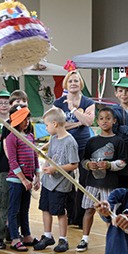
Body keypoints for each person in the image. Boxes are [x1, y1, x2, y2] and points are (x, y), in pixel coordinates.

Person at [77, 107, 127, 252]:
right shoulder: (91, 141)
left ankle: (112, 241)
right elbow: (84, 160)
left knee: (110, 213)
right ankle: (84, 239)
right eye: (101, 118)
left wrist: (109, 165)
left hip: (109, 184)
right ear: (97, 121)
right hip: (92, 183)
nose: (104, 121)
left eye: (108, 118)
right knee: (88, 210)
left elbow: (123, 162)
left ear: (114, 121)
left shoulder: (118, 141)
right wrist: (88, 165)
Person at [33, 107, 79, 252]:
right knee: (45, 208)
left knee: (60, 211)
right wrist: (46, 168)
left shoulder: (70, 142)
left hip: (61, 183)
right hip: (49, 182)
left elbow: (74, 164)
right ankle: (47, 235)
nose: (46, 128)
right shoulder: (53, 139)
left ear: (55, 124)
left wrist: (55, 169)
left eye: (46, 125)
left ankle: (63, 239)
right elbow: (50, 156)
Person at [53, 70, 95, 227]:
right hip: (64, 145)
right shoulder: (58, 103)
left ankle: (79, 217)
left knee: (84, 180)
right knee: (66, 180)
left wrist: (72, 110)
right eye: (70, 81)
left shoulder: (88, 102)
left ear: (81, 83)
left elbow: (90, 122)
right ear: (66, 84)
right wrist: (78, 122)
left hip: (84, 145)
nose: (73, 84)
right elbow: (55, 125)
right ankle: (69, 213)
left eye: (76, 81)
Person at [0, 90, 29, 249]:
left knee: (19, 205)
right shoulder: (8, 126)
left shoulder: (28, 125)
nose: (20, 106)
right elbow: (8, 150)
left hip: (25, 171)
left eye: (23, 103)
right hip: (8, 170)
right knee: (3, 202)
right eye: (16, 103)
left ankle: (13, 233)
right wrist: (17, 170)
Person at [4, 106, 40, 251]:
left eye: (27, 119)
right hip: (16, 181)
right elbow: (12, 161)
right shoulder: (11, 137)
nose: (26, 122)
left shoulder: (30, 136)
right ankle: (14, 238)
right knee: (14, 210)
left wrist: (37, 175)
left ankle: (27, 235)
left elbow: (35, 156)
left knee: (25, 209)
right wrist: (23, 179)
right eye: (23, 119)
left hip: (29, 180)